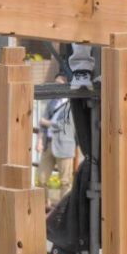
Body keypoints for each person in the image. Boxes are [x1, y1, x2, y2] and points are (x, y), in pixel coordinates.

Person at [37, 74, 76, 205]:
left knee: (65, 181)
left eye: (58, 84)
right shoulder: (51, 102)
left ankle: (63, 208)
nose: (55, 87)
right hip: (48, 145)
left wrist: (46, 122)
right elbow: (41, 124)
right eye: (54, 84)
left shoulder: (72, 104)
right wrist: (39, 141)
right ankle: (43, 205)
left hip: (64, 146)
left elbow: (64, 125)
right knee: (41, 178)